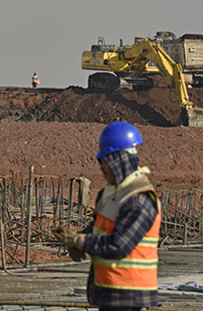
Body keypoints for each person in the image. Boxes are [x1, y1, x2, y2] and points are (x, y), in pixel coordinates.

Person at [53, 121, 161, 311]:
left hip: (130, 295)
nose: (101, 169)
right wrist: (75, 240)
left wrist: (80, 241)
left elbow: (118, 246)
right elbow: (97, 229)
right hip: (110, 292)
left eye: (104, 162)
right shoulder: (112, 194)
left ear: (117, 161)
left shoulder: (139, 200)